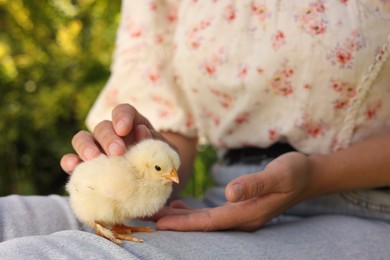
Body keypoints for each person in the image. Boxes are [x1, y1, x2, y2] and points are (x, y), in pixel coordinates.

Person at [1, 1, 390, 259]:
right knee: (9, 222)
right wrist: (139, 145)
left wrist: (317, 174)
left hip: (363, 203)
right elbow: (175, 137)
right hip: (225, 197)